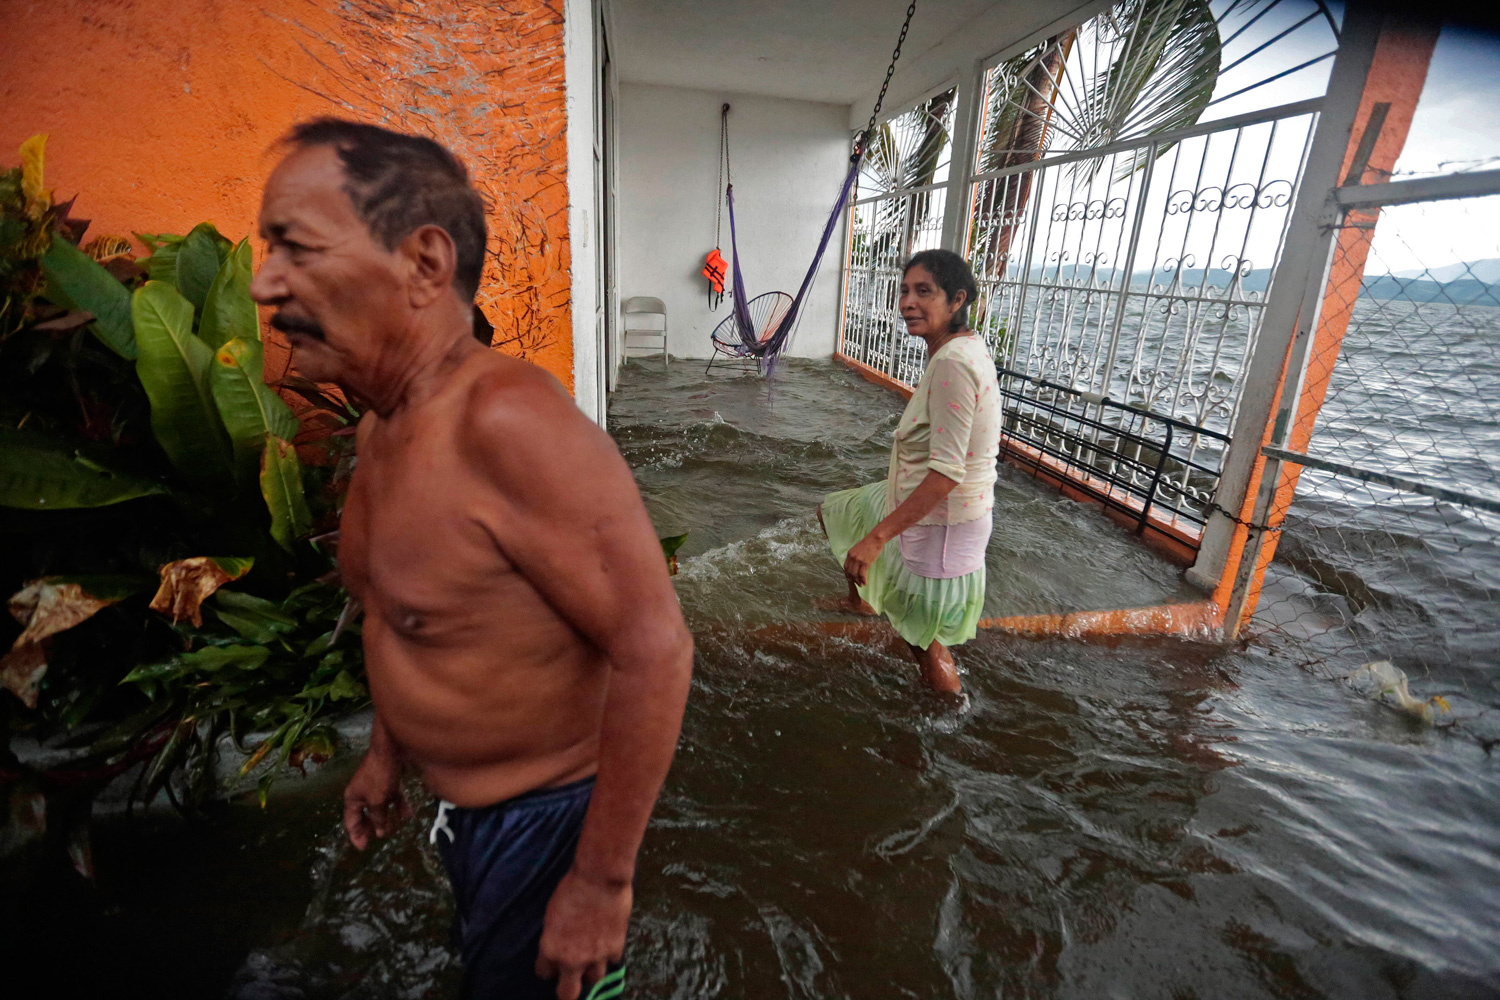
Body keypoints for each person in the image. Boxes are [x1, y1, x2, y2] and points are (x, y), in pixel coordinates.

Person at [249, 119, 694, 1000]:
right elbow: (407, 619)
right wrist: (387, 752)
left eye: (295, 248)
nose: (266, 283)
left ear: (422, 263)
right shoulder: (382, 427)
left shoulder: (507, 423)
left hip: (549, 825)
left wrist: (601, 882)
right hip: (470, 816)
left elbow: (656, 649)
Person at [817, 250, 1000, 693]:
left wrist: (877, 538)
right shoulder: (960, 349)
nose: (907, 302)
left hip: (943, 521)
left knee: (924, 640)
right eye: (904, 291)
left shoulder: (954, 364)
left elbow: (946, 473)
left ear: (957, 300)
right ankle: (859, 603)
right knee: (837, 510)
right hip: (914, 496)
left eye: (924, 292)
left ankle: (945, 715)